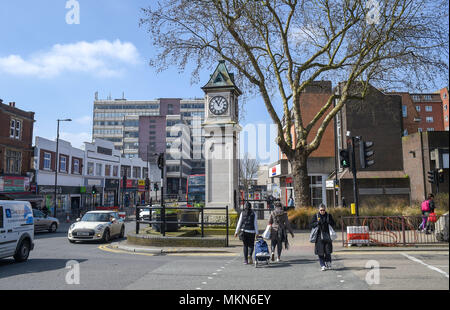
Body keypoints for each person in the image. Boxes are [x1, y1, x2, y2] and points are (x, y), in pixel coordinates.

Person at [310, 204, 335, 271]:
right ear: (319, 210)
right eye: (321, 210)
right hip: (319, 236)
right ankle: (322, 265)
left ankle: (328, 262)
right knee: (320, 252)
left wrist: (329, 222)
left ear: (325, 209)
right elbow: (311, 224)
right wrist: (316, 223)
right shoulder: (316, 216)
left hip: (327, 235)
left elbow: (333, 223)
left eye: (323, 210)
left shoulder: (328, 216)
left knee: (328, 251)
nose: (322, 211)